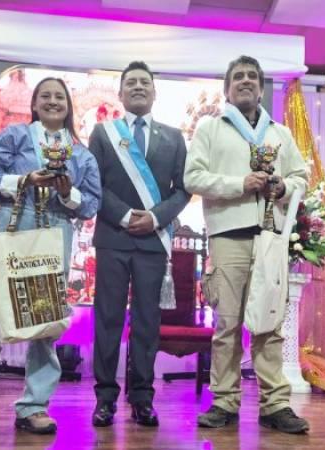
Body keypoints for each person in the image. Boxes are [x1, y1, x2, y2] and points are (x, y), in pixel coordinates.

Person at [0, 77, 101, 438]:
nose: (52, 101)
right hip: (12, 229)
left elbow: (91, 204)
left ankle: (34, 406)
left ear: (68, 106)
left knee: (44, 323)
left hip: (55, 235)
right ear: (34, 104)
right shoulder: (14, 136)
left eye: (59, 97)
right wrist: (24, 180)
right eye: (45, 96)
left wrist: (67, 193)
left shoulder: (81, 154)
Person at [184, 55, 309, 434]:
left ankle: (275, 404)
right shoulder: (210, 128)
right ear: (227, 88)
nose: (245, 81)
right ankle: (224, 400)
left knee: (269, 322)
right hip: (228, 235)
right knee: (227, 324)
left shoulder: (279, 134)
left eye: (252, 76)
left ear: (260, 88)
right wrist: (240, 184)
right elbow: (193, 177)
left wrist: (283, 186)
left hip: (270, 237)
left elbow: (301, 177)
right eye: (238, 76)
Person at [88, 61, 190, 427]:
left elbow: (183, 190)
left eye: (144, 82)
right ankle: (104, 398)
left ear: (154, 92)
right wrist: (126, 216)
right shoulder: (103, 133)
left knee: (147, 322)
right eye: (130, 82)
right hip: (113, 239)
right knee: (108, 319)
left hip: (152, 243)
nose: (138, 87)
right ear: (120, 92)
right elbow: (94, 184)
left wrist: (157, 217)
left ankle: (143, 398)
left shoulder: (174, 138)